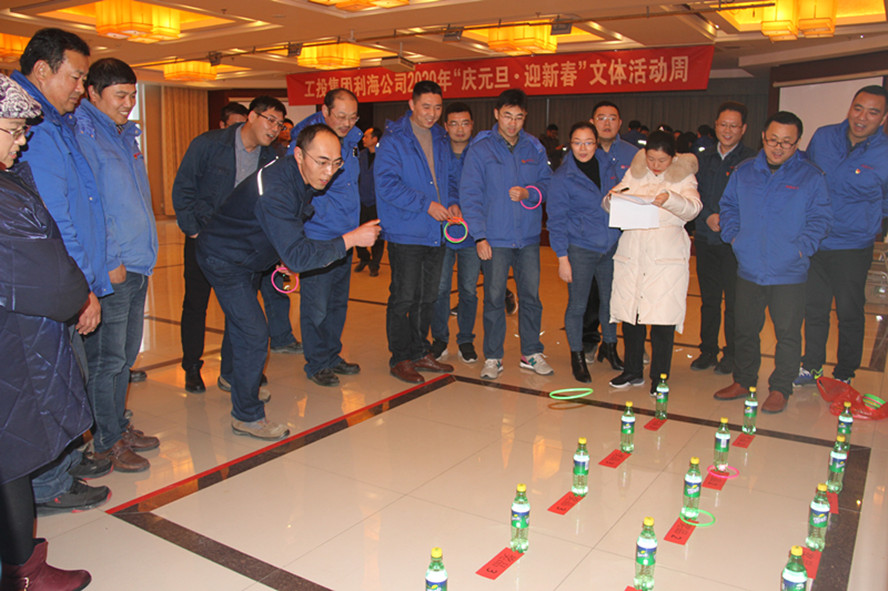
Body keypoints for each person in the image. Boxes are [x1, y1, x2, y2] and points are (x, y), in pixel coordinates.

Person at [196, 123, 380, 439]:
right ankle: (246, 416)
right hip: (224, 259)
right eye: (322, 162)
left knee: (242, 326)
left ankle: (235, 380)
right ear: (299, 155)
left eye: (336, 163)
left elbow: (286, 231)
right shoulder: (278, 189)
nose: (329, 172)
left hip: (249, 255)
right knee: (254, 332)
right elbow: (298, 257)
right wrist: (351, 239)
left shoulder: (299, 177)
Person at [0, 71, 94, 591]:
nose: (22, 141)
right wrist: (78, 290)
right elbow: (56, 284)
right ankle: (23, 572)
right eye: (14, 130)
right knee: (10, 460)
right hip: (11, 350)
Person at [12, 27, 111, 513]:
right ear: (42, 70)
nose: (81, 88)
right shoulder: (34, 130)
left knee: (67, 375)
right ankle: (49, 481)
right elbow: (54, 221)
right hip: (50, 285)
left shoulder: (54, 123)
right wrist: (81, 288)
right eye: (75, 77)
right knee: (50, 381)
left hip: (64, 277)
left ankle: (64, 463)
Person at [173, 96, 293, 394]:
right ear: (251, 116)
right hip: (203, 239)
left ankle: (232, 371)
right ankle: (192, 366)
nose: (275, 128)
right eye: (270, 120)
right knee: (196, 304)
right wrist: (194, 232)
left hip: (244, 246)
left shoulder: (273, 157)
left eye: (279, 124)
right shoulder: (209, 144)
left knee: (240, 310)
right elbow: (183, 188)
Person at [74, 57, 160, 472]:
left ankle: (117, 426)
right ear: (93, 93)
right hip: (116, 266)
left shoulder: (124, 135)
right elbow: (93, 205)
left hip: (138, 261)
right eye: (120, 95)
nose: (128, 103)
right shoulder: (85, 135)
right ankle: (105, 441)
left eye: (132, 95)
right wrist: (110, 258)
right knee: (107, 360)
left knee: (124, 356)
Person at [715, 111, 831, 414]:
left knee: (787, 334)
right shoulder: (744, 171)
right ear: (763, 137)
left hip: (789, 271)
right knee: (744, 329)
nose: (778, 148)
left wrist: (801, 250)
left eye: (786, 143)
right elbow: (728, 206)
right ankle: (743, 380)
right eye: (772, 140)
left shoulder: (810, 176)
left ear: (797, 143)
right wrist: (734, 237)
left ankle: (781, 387)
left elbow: (820, 219)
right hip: (749, 267)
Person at [795, 86, 888, 387]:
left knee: (849, 311)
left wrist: (867, 222)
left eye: (873, 112)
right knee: (814, 308)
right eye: (858, 108)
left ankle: (845, 372)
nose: (862, 117)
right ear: (850, 107)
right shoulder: (824, 137)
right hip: (816, 241)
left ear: (883, 118)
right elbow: (806, 175)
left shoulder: (884, 153)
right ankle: (812, 366)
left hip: (852, 246)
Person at [461, 88, 553, 380]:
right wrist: (479, 236)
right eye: (507, 116)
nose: (512, 123)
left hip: (527, 238)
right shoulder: (480, 149)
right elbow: (470, 195)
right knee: (494, 298)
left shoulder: (534, 148)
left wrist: (530, 193)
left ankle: (531, 352)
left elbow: (547, 184)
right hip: (495, 238)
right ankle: (493, 356)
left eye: (519, 117)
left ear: (525, 117)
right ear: (496, 114)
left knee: (531, 297)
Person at [604, 131, 701, 391]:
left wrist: (671, 199)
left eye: (662, 160)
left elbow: (694, 208)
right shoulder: (636, 172)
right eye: (651, 159)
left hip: (665, 257)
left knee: (662, 320)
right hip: (633, 253)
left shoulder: (683, 175)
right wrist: (611, 199)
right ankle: (632, 370)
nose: (655, 165)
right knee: (631, 316)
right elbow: (612, 202)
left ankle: (660, 377)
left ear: (673, 157)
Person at [375, 80, 455, 383]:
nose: (432, 114)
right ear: (411, 104)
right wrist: (426, 205)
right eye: (426, 107)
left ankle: (420, 351)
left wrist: (453, 202)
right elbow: (387, 185)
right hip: (406, 231)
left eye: (437, 108)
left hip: (437, 231)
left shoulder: (441, 137)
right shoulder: (394, 139)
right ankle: (400, 357)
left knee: (427, 297)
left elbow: (449, 178)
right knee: (404, 297)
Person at [287, 88, 363, 387]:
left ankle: (331, 355)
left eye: (353, 117)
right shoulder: (306, 141)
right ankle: (317, 362)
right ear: (325, 111)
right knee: (316, 305)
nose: (347, 123)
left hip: (346, 235)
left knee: (337, 303)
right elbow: (298, 189)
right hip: (318, 235)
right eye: (341, 116)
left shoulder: (352, 139)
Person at [548, 122, 621, 382]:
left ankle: (610, 347)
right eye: (577, 143)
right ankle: (577, 356)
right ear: (570, 144)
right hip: (580, 249)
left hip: (609, 246)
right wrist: (562, 258)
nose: (583, 148)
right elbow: (556, 221)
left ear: (596, 143)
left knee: (610, 302)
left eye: (588, 142)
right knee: (578, 305)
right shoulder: (562, 178)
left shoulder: (608, 166)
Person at [691, 102, 756, 374]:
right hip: (706, 240)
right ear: (716, 126)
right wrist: (706, 216)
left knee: (734, 303)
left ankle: (731, 354)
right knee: (709, 300)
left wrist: (728, 221)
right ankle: (707, 350)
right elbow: (692, 194)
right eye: (723, 125)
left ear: (743, 129)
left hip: (735, 244)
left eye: (733, 126)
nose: (727, 130)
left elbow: (753, 201)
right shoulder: (701, 158)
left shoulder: (752, 160)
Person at [585, 100, 638, 369]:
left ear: (620, 123)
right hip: (589, 235)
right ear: (592, 121)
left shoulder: (634, 154)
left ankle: (621, 344)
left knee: (622, 292)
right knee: (590, 293)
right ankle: (590, 341)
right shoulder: (583, 150)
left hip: (624, 236)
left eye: (612, 118)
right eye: (601, 118)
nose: (607, 123)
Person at [429, 102, 480, 364]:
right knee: (439, 289)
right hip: (442, 231)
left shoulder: (480, 152)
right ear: (445, 126)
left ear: (472, 125)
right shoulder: (437, 151)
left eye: (465, 123)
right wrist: (449, 202)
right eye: (454, 123)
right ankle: (439, 339)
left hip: (472, 234)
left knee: (468, 290)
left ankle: (466, 340)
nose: (460, 129)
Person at [355, 126, 385, 276]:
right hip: (361, 201)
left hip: (377, 204)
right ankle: (364, 257)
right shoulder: (360, 156)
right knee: (357, 231)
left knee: (378, 236)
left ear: (375, 139)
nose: (363, 139)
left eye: (367, 136)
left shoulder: (384, 157)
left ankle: (375, 264)